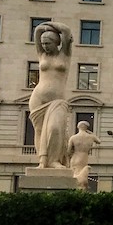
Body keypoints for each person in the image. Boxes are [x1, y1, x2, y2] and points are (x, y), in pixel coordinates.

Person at [29, 21, 74, 168]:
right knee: (40, 131)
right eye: (43, 43)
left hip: (57, 100)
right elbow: (37, 32)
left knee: (55, 128)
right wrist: (42, 28)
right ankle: (42, 161)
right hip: (38, 98)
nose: (44, 46)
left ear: (56, 43)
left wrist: (50, 25)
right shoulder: (42, 55)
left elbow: (66, 31)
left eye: (48, 43)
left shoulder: (65, 55)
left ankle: (54, 160)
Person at [67, 121, 100, 190]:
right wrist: (91, 133)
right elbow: (99, 141)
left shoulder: (73, 138)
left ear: (78, 127)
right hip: (84, 158)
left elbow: (68, 151)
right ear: (86, 128)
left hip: (75, 157)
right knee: (83, 175)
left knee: (75, 176)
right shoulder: (91, 137)